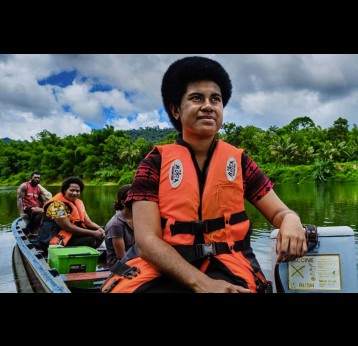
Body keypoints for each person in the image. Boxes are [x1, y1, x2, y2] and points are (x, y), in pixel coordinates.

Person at [101, 56, 308, 293]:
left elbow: (280, 212)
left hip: (228, 264)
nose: (208, 105)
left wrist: (291, 219)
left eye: (216, 99)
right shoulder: (153, 163)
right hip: (166, 268)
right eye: (197, 98)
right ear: (176, 110)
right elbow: (147, 241)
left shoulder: (239, 161)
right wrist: (204, 284)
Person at [38, 176, 105, 251]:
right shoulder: (56, 205)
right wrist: (93, 233)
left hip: (69, 234)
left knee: (103, 231)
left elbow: (88, 222)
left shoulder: (78, 202)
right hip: (52, 238)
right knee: (91, 239)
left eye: (77, 191)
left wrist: (100, 229)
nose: (75, 193)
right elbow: (68, 227)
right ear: (65, 190)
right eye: (72, 190)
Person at [104, 184, 135, 270]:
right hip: (119, 265)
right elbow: (122, 256)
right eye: (133, 197)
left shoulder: (138, 217)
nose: (137, 200)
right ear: (123, 202)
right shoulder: (116, 224)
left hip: (135, 259)